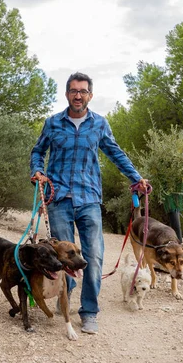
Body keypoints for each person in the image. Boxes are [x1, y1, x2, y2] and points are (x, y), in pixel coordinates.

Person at [30, 72, 146, 334]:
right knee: (62, 257)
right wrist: (37, 170)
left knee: (93, 255)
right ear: (67, 94)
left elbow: (115, 153)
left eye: (83, 91)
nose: (78, 95)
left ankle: (90, 311)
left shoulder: (100, 125)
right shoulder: (53, 123)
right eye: (73, 90)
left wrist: (136, 178)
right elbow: (38, 151)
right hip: (57, 198)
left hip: (89, 199)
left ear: (90, 95)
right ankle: (65, 299)